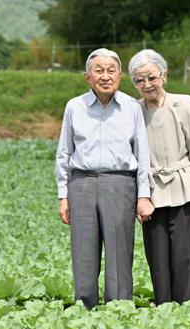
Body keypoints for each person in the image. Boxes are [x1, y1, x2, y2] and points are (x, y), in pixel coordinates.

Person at [55, 48, 154, 309]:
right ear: (88, 77)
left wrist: (144, 195)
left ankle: (118, 307)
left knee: (119, 251)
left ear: (120, 76)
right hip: (82, 184)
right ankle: (84, 306)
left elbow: (142, 155)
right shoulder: (74, 107)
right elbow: (64, 154)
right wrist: (63, 195)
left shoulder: (132, 108)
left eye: (111, 71)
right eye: (99, 71)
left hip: (120, 184)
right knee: (83, 252)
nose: (105, 76)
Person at [128, 49, 190, 305]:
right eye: (139, 80)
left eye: (151, 78)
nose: (146, 85)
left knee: (186, 256)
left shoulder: (185, 103)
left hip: (185, 187)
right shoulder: (133, 110)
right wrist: (138, 196)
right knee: (158, 258)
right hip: (151, 192)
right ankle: (164, 311)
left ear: (163, 76)